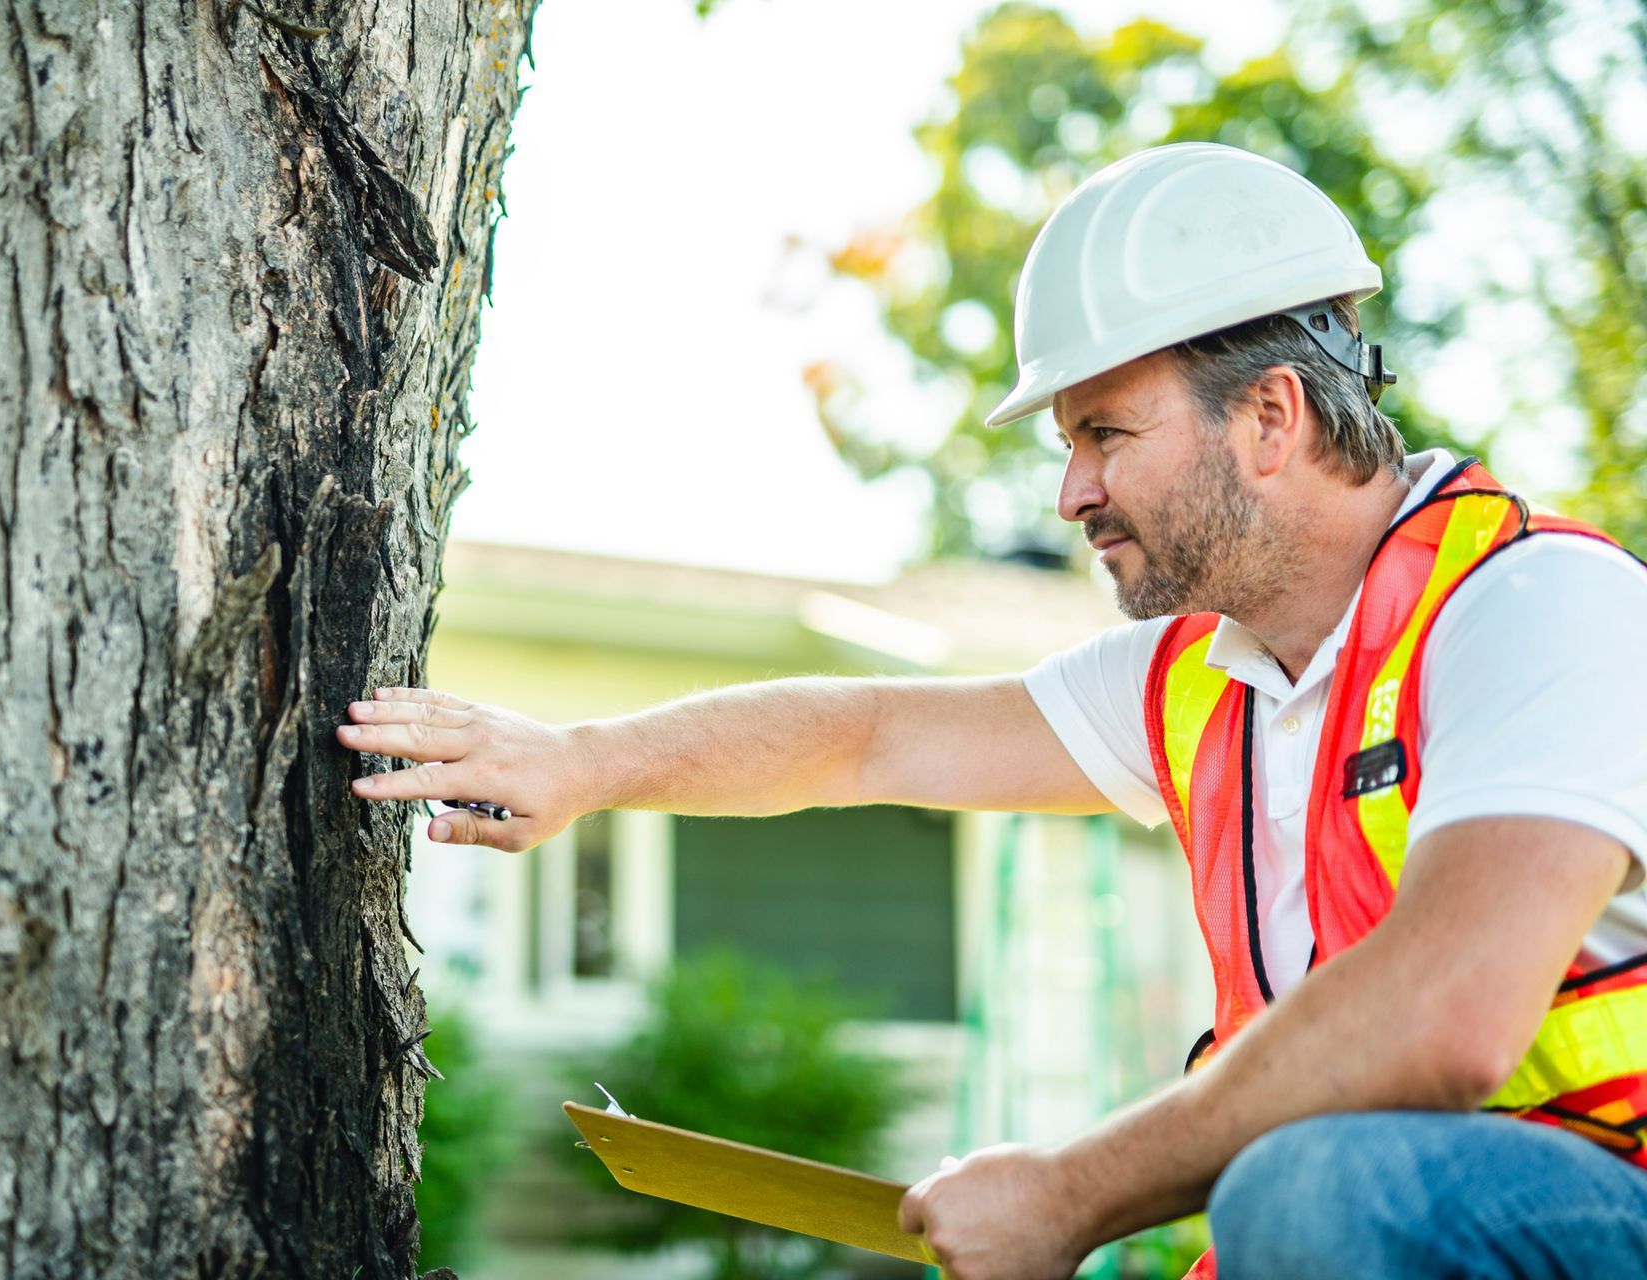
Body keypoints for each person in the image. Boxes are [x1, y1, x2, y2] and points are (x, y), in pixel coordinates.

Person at [336, 143, 1647, 1278]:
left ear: (1269, 414)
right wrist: (588, 762)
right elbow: (870, 734)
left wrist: (1070, 1195)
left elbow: (1443, 1019)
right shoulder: (1203, 681)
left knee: (1306, 1196)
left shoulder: (1535, 609)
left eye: (1106, 434)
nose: (1070, 491)